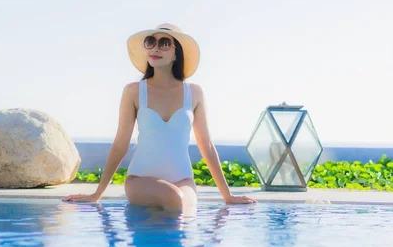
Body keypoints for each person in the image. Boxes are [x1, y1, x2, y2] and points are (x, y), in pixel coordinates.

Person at [62, 23, 257, 210]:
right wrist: (97, 193)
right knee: (174, 200)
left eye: (164, 43)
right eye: (150, 42)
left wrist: (228, 197)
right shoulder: (134, 91)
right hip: (140, 181)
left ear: (176, 53)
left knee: (182, 206)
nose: (156, 48)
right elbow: (121, 143)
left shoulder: (194, 93)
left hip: (183, 182)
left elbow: (206, 145)